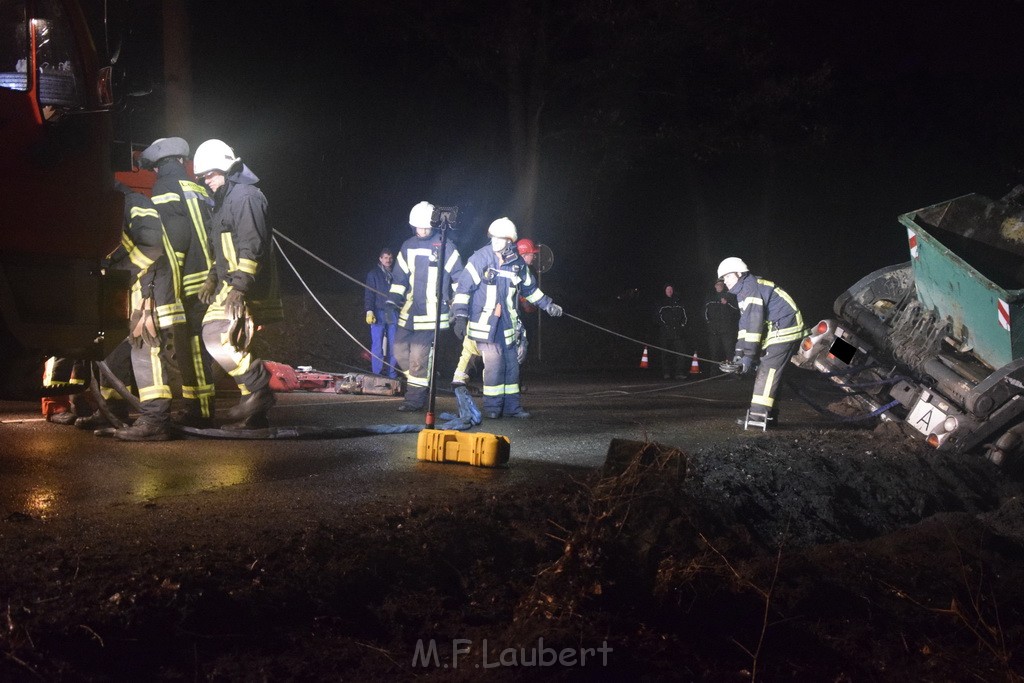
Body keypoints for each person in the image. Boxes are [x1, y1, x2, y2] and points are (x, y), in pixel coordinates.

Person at [76, 181, 182, 441]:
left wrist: (115, 273)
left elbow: (151, 246)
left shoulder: (134, 203)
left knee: (145, 352)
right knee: (113, 352)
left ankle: (156, 420)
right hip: (132, 290)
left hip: (151, 290)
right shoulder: (110, 211)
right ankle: (111, 410)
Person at [192, 139, 281, 430]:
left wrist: (240, 287)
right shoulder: (225, 201)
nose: (207, 182)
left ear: (227, 169)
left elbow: (251, 244)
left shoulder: (245, 196)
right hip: (231, 283)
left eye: (211, 174)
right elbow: (223, 250)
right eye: (203, 177)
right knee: (236, 342)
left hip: (243, 286)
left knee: (215, 336)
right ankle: (255, 415)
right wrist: (212, 278)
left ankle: (260, 389)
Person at [140, 137, 217, 426]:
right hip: (211, 276)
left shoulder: (164, 187)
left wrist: (161, 283)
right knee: (199, 345)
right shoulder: (197, 188)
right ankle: (200, 407)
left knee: (190, 345)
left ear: (159, 167)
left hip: (189, 281)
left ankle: (201, 411)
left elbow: (176, 238)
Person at [451, 218, 562, 419]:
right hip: (486, 326)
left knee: (511, 368)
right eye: (493, 238)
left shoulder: (517, 264)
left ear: (509, 241)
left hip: (508, 326)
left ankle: (512, 407)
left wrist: (548, 305)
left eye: (499, 239)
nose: (495, 242)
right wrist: (459, 316)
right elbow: (463, 288)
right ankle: (493, 408)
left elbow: (530, 290)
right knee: (494, 366)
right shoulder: (479, 259)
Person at [387, 201, 464, 412]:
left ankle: (414, 401)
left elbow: (459, 280)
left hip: (432, 316)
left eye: (426, 226)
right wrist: (391, 302)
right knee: (400, 352)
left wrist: (458, 311)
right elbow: (399, 279)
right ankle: (421, 382)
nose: (423, 230)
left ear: (434, 224)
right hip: (409, 314)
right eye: (419, 227)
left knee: (418, 361)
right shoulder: (408, 246)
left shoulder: (446, 246)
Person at [717, 257, 805, 429]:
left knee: (768, 370)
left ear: (739, 273)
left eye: (727, 276)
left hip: (785, 329)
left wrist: (748, 356)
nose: (724, 281)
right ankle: (769, 417)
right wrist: (739, 355)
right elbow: (745, 326)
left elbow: (755, 325)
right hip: (778, 329)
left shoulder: (751, 288)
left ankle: (757, 418)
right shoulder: (744, 291)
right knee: (771, 373)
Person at [451, 237, 538, 387]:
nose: (534, 257)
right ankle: (490, 386)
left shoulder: (519, 269)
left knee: (473, 351)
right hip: (491, 320)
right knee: (488, 354)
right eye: (532, 254)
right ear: (524, 255)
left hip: (492, 320)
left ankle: (461, 380)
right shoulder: (506, 267)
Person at [364, 247, 398, 378]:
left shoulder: (396, 274)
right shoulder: (373, 274)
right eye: (385, 257)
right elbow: (369, 294)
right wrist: (369, 310)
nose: (388, 260)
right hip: (378, 312)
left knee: (393, 345)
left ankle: (392, 374)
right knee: (377, 344)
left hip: (393, 312)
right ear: (380, 259)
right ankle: (377, 374)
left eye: (390, 258)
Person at [654, 283, 688, 380]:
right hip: (666, 332)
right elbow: (657, 317)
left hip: (678, 332)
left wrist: (682, 326)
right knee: (665, 354)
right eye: (667, 289)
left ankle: (679, 372)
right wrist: (665, 326)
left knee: (681, 352)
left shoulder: (678, 302)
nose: (669, 291)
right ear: (665, 291)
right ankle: (666, 372)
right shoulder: (661, 303)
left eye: (671, 289)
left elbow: (685, 316)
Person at [704, 278, 740, 365]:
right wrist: (709, 324)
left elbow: (737, 310)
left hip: (727, 330)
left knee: (729, 352)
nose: (719, 286)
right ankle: (713, 375)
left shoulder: (730, 296)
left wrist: (727, 303)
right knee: (714, 353)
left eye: (721, 284)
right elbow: (705, 313)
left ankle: (732, 373)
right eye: (718, 284)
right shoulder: (710, 297)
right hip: (713, 331)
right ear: (715, 286)